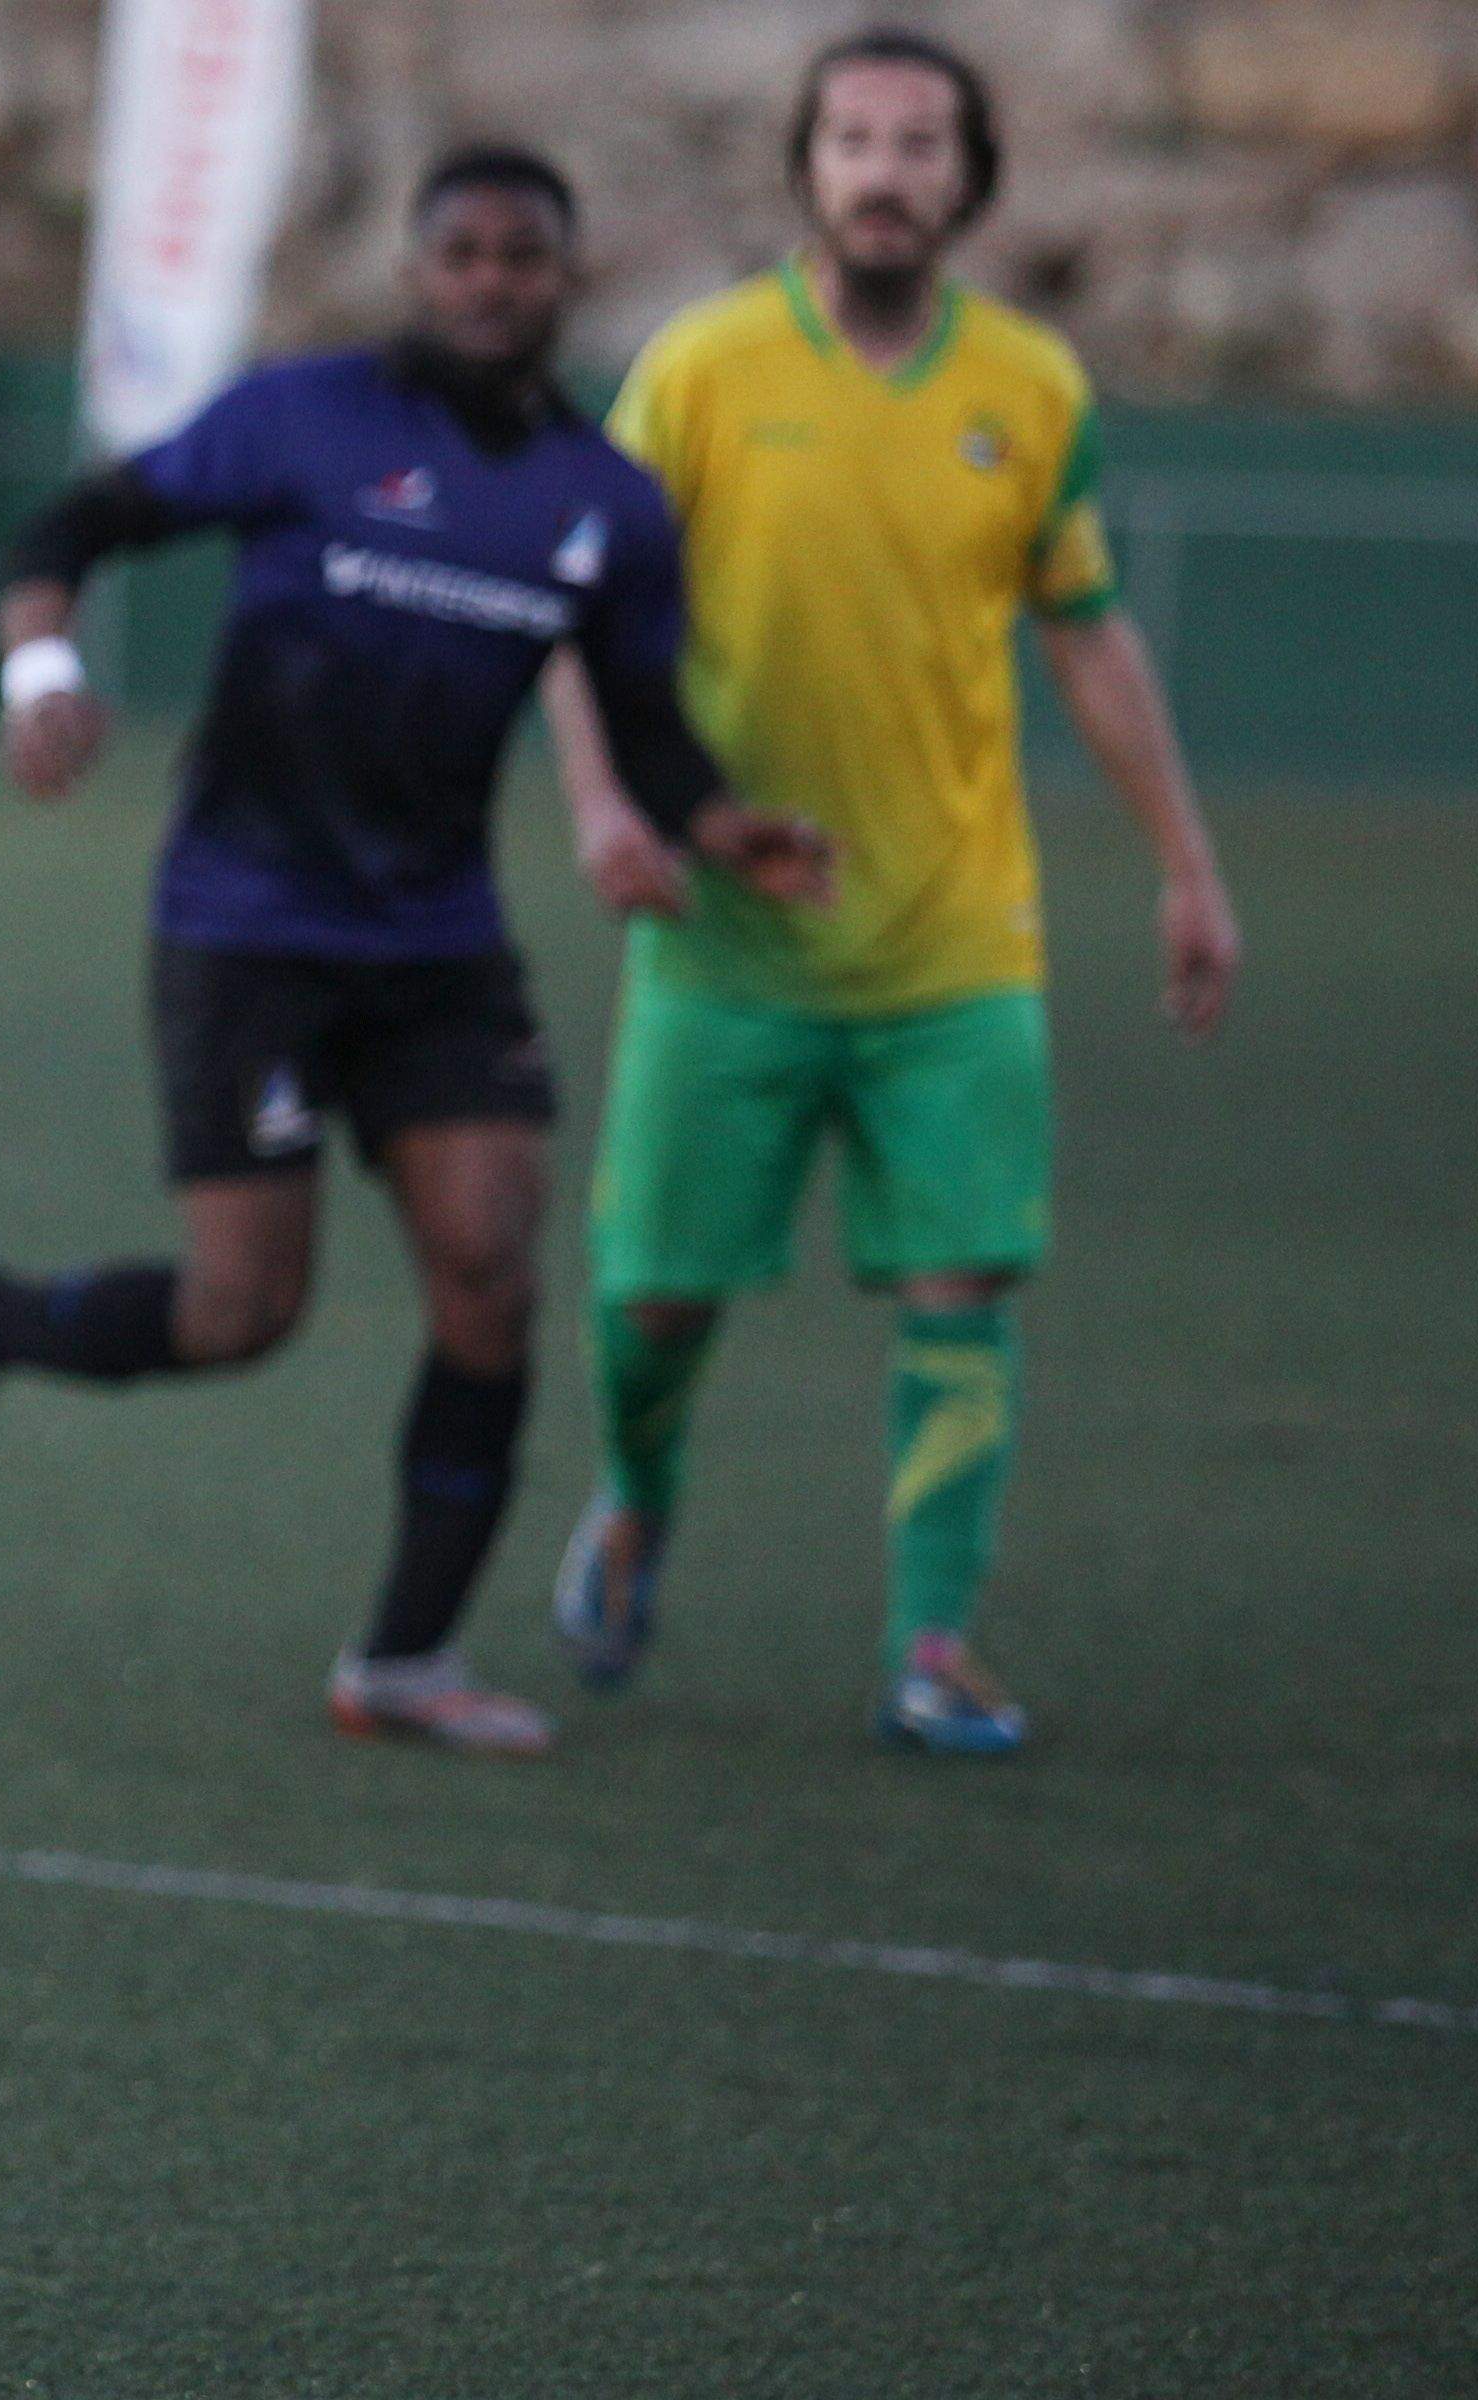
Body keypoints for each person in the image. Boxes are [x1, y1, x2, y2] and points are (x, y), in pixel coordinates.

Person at [0, 147, 829, 1755]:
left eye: (522, 253)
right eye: (459, 250)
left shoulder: (605, 505)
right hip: (247, 929)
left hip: (438, 943)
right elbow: (72, 521)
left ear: (563, 278)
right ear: (417, 268)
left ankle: (403, 1657)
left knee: (487, 1268)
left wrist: (722, 827)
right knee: (243, 1312)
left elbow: (646, 728)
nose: (488, 279)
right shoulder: (303, 419)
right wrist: (42, 675)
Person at [539, 27, 1243, 1753]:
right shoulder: (698, 369)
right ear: (805, 168)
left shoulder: (1030, 389)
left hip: (952, 941)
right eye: (851, 137)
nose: (882, 169)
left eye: (918, 142)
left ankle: (932, 1641)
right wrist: (602, 800)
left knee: (964, 1289)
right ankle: (635, 1495)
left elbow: (1087, 641)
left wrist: (1185, 870)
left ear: (968, 178)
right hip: (726, 942)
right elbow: (579, 608)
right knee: (651, 1304)